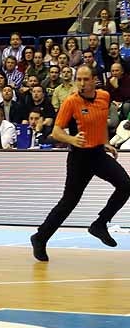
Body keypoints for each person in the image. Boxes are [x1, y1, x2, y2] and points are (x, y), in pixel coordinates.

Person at [31, 66, 130, 261]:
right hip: (79, 158)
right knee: (69, 202)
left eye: (86, 79)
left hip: (98, 154)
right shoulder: (71, 101)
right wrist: (72, 140)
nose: (82, 84)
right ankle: (40, 237)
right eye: (79, 80)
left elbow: (100, 122)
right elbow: (56, 132)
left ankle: (100, 224)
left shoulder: (103, 96)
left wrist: (105, 142)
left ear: (94, 80)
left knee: (126, 185)